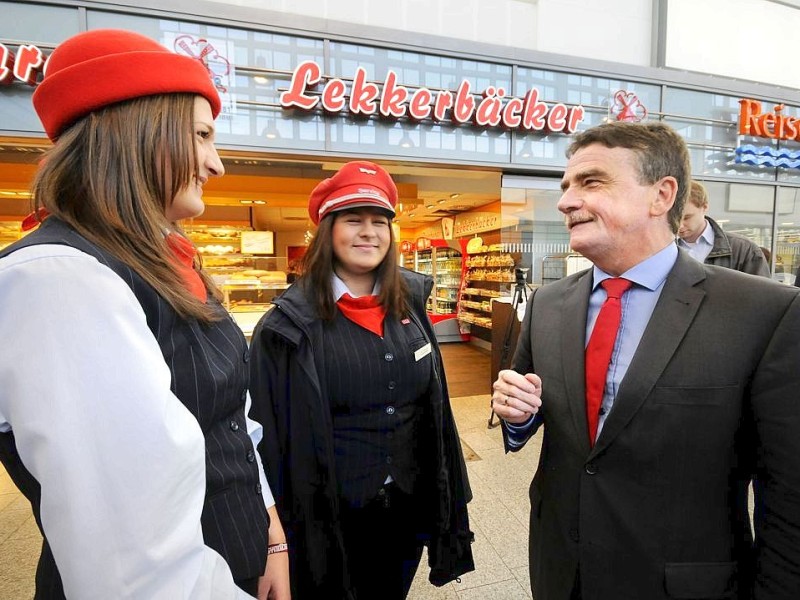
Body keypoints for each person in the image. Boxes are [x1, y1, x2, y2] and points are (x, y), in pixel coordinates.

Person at [0, 30, 290, 600]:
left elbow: (231, 420)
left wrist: (269, 531)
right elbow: (135, 567)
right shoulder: (60, 278)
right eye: (202, 135)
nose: (217, 163)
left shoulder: (165, 261)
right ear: (138, 131)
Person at [491, 121, 800, 600]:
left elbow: (789, 497)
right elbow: (535, 412)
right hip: (561, 571)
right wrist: (516, 416)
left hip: (680, 584)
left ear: (661, 195)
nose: (566, 201)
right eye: (566, 186)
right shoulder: (549, 304)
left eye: (591, 182)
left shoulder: (764, 313)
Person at [248, 160, 474, 600]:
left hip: (406, 508)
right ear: (328, 231)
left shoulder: (411, 308)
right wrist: (273, 533)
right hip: (327, 517)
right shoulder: (285, 328)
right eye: (353, 220)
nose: (368, 232)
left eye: (379, 221)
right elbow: (266, 438)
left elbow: (434, 409)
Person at [677, 180, 770, 276]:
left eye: (687, 218)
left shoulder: (744, 250)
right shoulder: (664, 247)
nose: (679, 225)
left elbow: (763, 290)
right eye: (674, 218)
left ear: (704, 207)